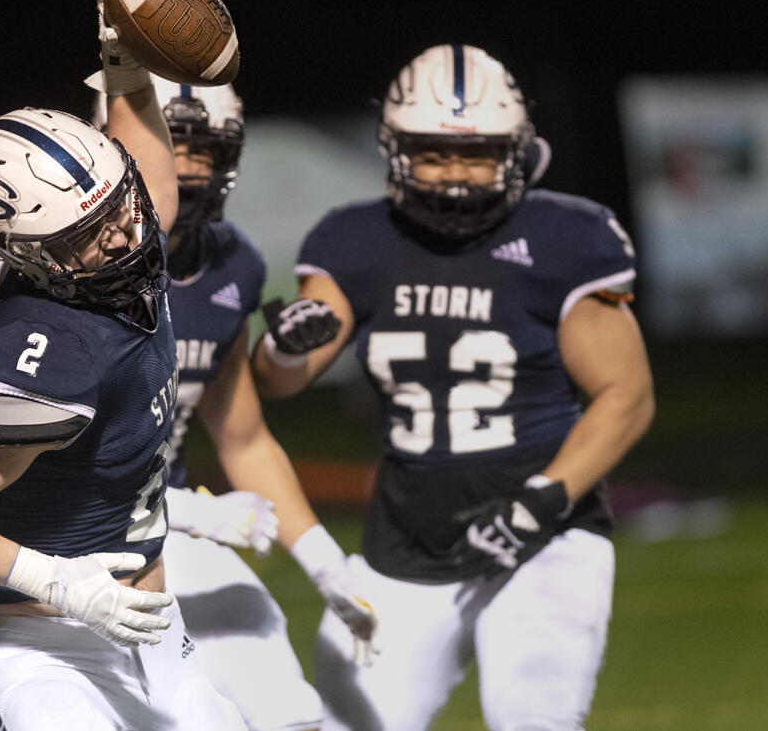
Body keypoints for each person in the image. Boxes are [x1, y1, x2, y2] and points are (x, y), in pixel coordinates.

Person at [0, 75, 378, 731]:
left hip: (150, 558)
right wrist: (63, 574)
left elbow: (242, 434)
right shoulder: (48, 322)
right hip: (44, 576)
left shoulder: (188, 256)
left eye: (208, 147)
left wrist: (327, 565)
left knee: (284, 709)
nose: (189, 166)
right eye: (176, 143)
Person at [0, 0, 245, 731]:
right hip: (40, 648)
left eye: (118, 207)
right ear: (29, 255)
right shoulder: (43, 347)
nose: (122, 236)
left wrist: (124, 57)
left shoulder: (122, 242)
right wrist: (56, 580)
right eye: (88, 234)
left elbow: (146, 174)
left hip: (156, 633)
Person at [251, 44, 656, 731]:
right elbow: (284, 379)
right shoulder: (355, 239)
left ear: (518, 152)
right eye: (436, 154)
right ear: (396, 151)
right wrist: (282, 347)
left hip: (543, 536)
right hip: (404, 543)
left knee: (530, 715)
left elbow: (628, 395)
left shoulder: (566, 237)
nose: (458, 177)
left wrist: (540, 501)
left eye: (477, 154)